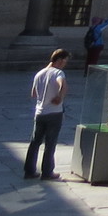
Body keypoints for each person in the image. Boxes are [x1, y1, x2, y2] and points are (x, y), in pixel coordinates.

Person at [24, 48, 70, 180]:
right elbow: (62, 85)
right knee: (50, 143)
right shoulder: (58, 73)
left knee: (35, 142)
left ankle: (29, 171)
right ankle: (47, 172)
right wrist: (59, 97)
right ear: (60, 60)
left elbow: (33, 93)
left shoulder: (39, 74)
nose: (65, 64)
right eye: (65, 61)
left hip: (40, 112)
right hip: (54, 113)